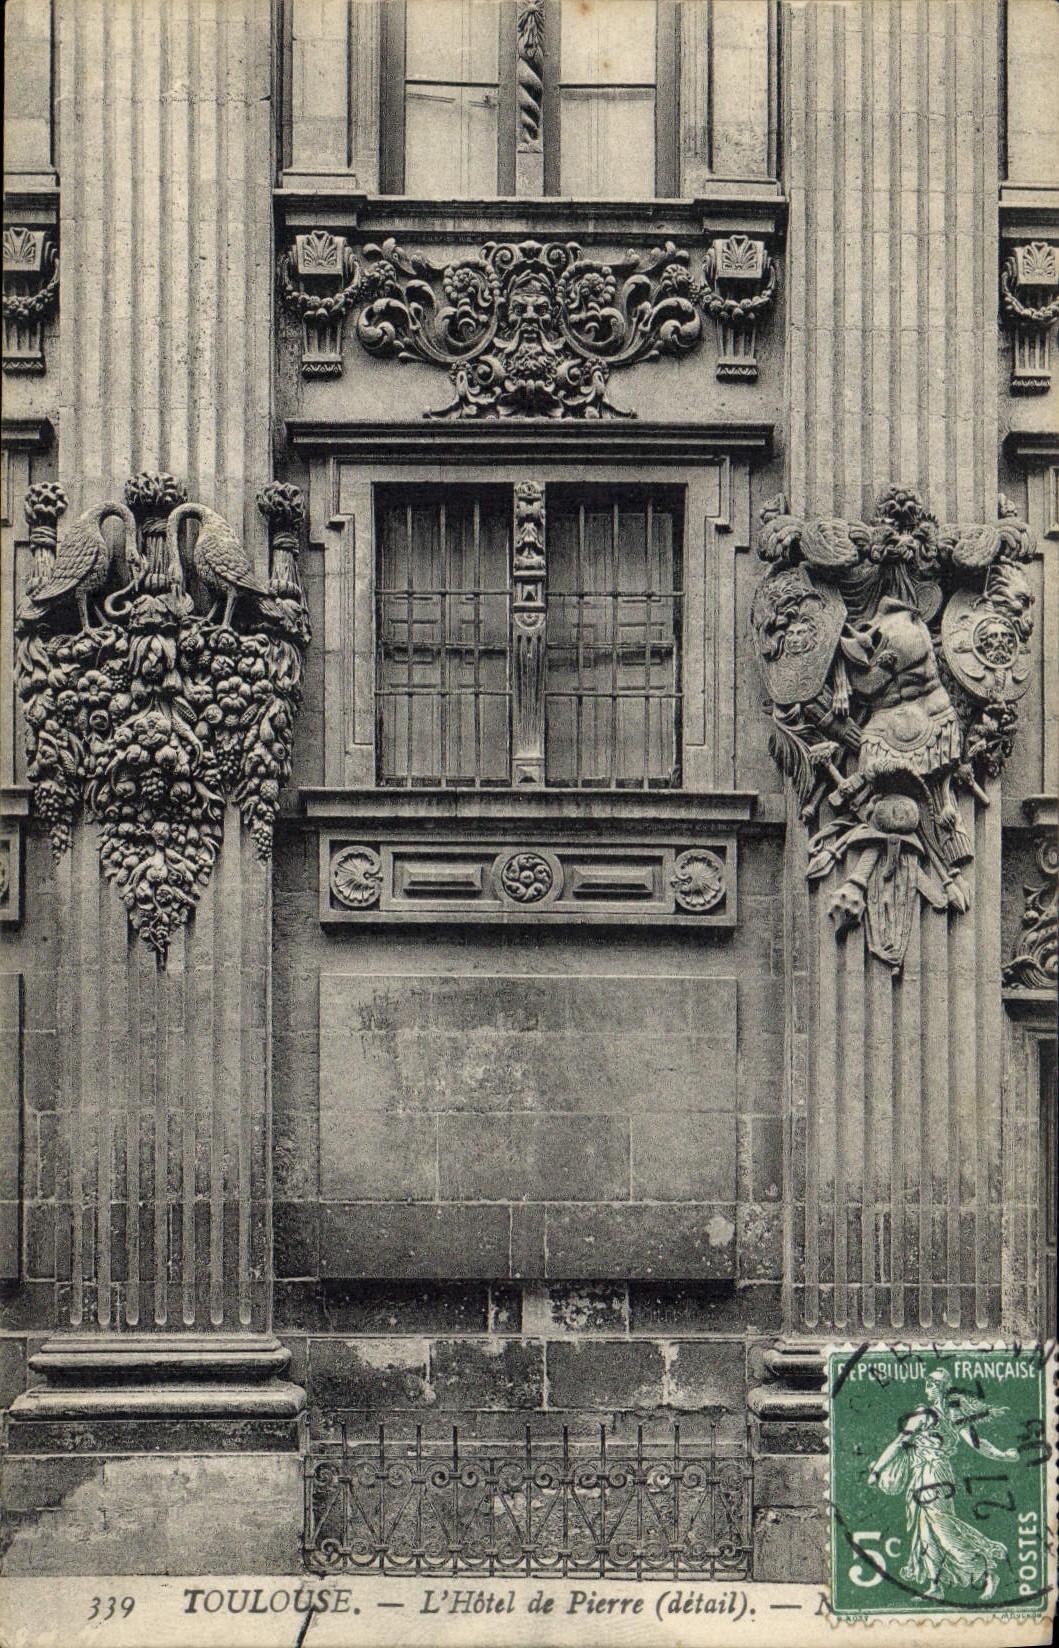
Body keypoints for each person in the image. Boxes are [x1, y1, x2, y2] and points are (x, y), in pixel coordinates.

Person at [867, 1366, 1018, 1601]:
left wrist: (1002, 1455)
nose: (928, 1388)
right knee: (925, 1533)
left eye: (932, 1384)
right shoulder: (927, 1415)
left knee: (943, 1529)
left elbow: (978, 1444)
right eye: (929, 1383)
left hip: (936, 1475)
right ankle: (935, 1584)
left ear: (940, 1389)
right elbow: (899, 1443)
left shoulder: (950, 1415)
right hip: (920, 1477)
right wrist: (877, 1470)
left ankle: (987, 1572)